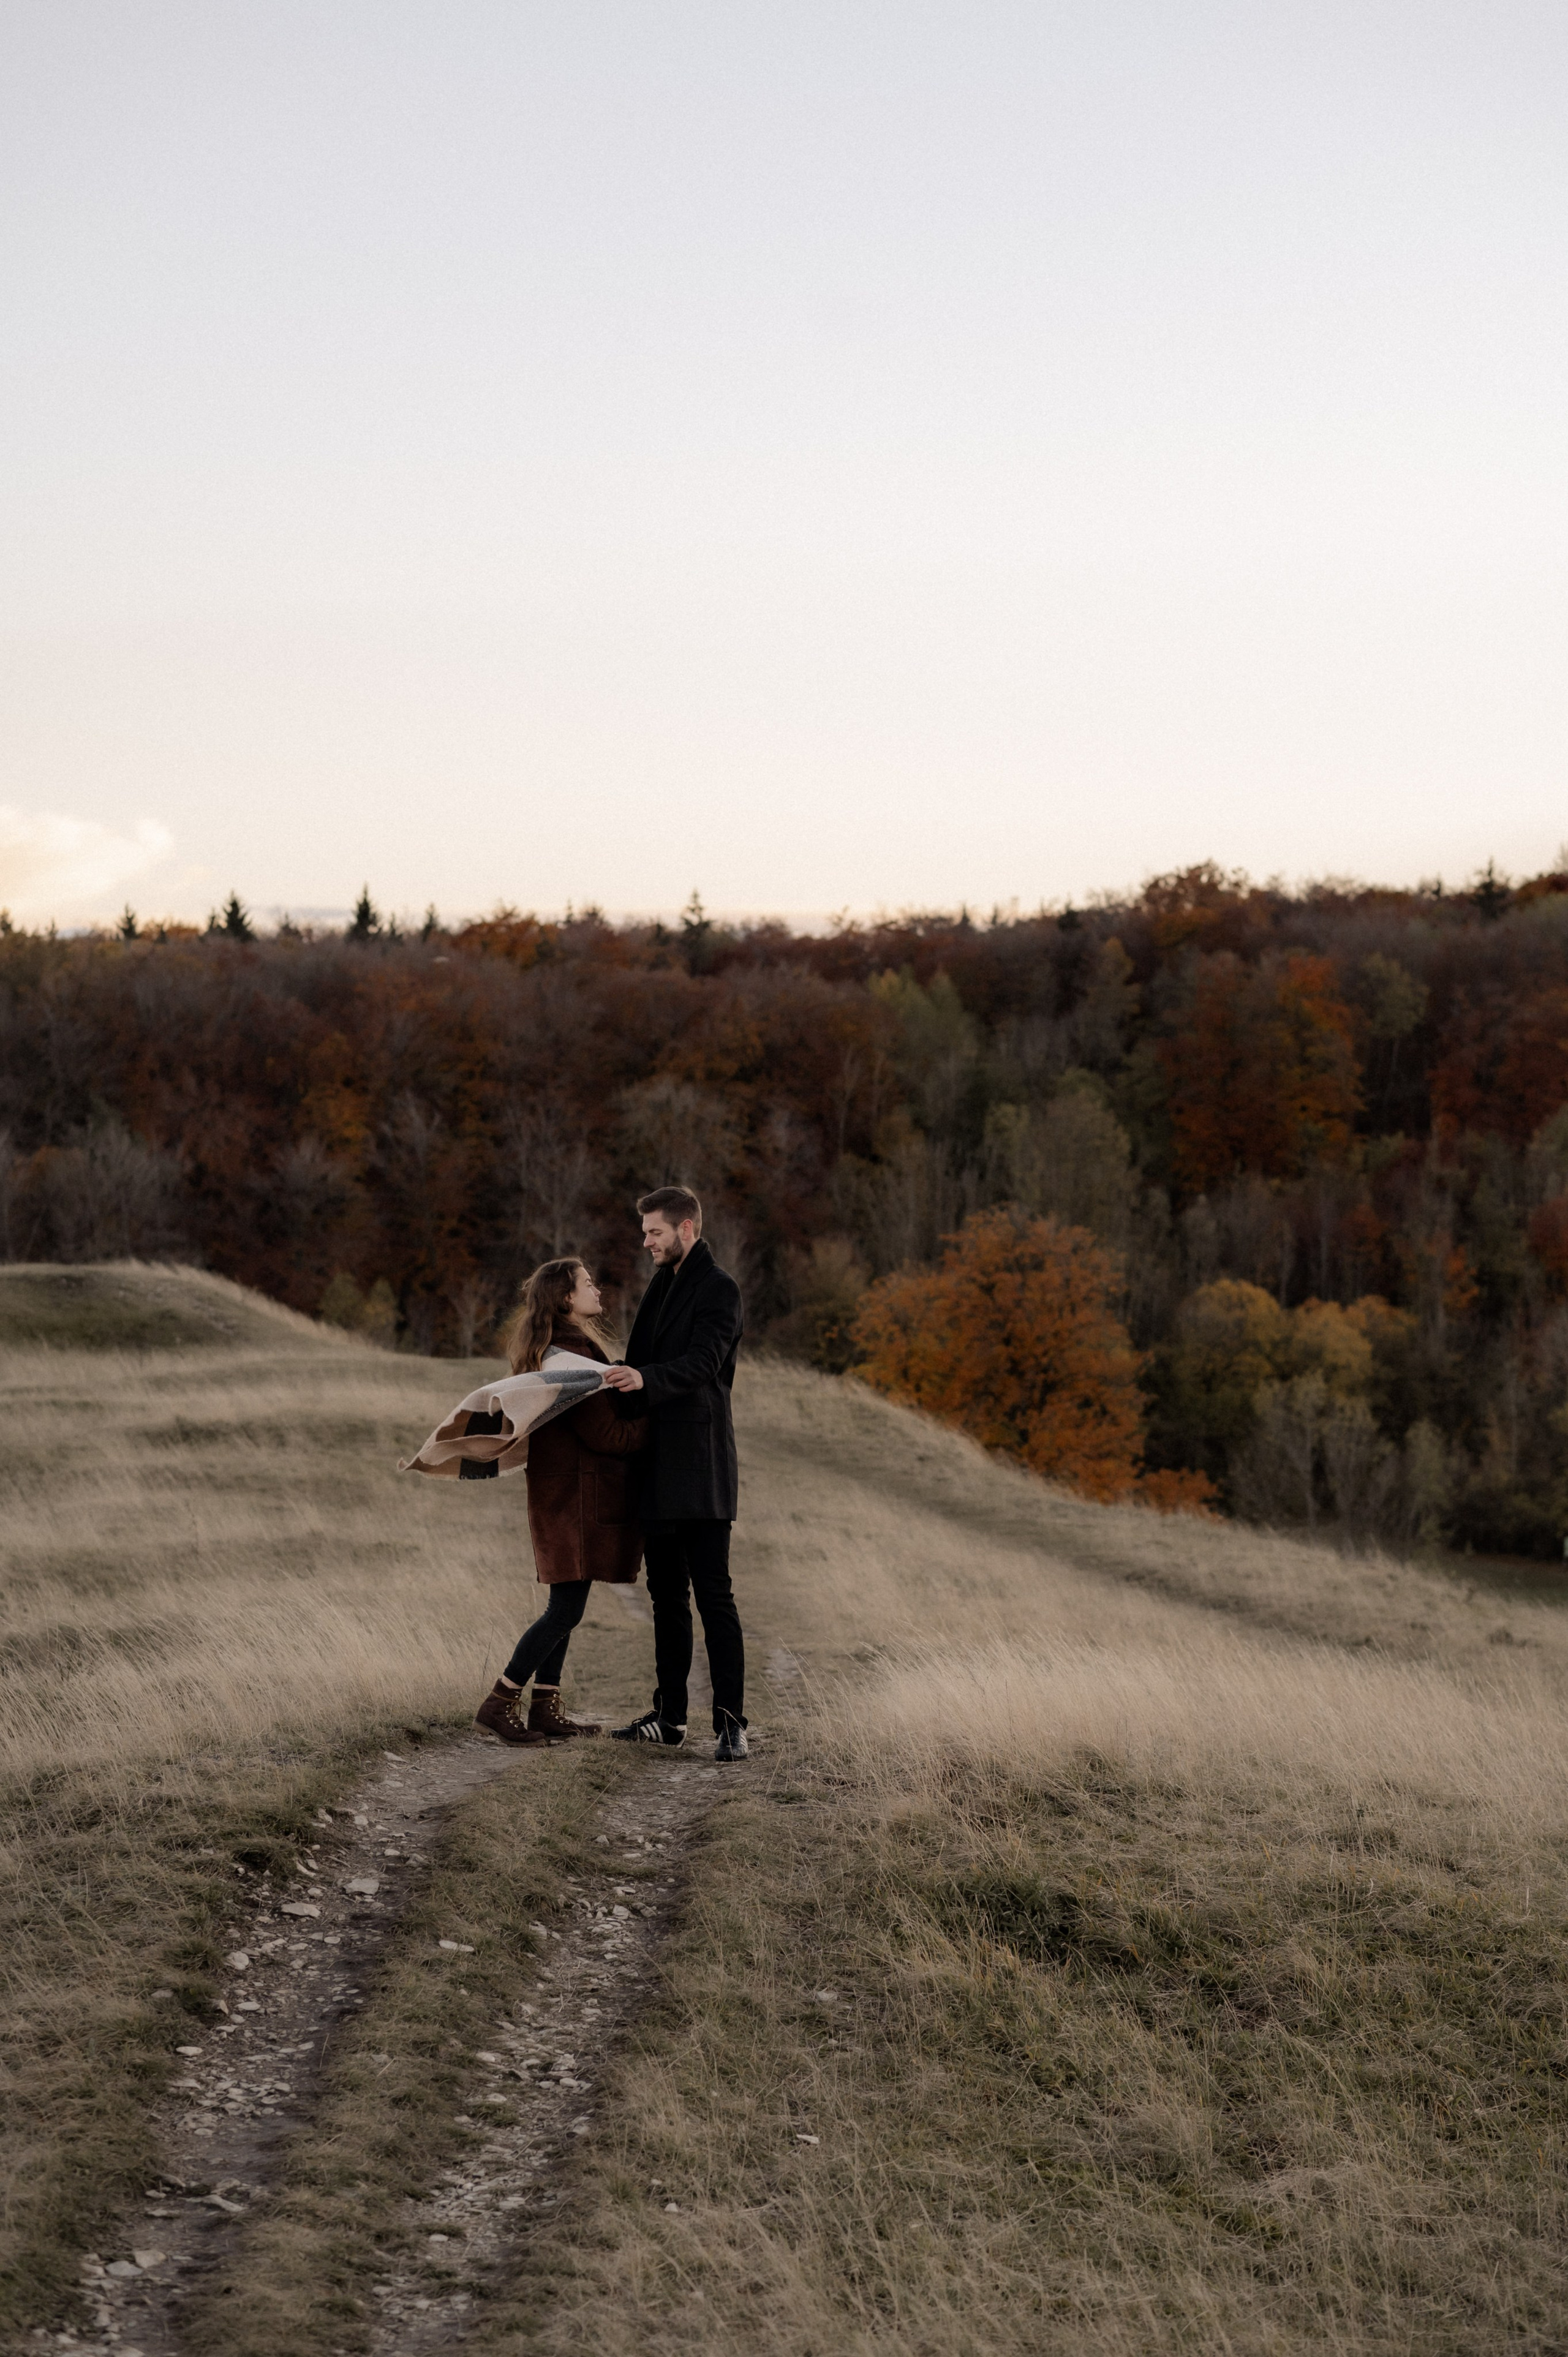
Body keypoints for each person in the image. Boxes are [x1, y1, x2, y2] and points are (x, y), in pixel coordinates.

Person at [600, 1185, 748, 1762]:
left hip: (703, 1466)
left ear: (687, 1228)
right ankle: (670, 1718)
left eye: (654, 1232)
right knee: (666, 1597)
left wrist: (646, 1381)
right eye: (645, 1234)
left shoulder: (720, 1289)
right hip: (657, 1466)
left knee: (715, 1596)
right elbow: (642, 1360)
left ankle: (732, 1724)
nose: (647, 1243)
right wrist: (612, 1374)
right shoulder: (661, 1285)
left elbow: (704, 1364)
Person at [473, 1258, 649, 1746]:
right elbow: (609, 1435)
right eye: (588, 1283)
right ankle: (499, 1703)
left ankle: (545, 1707)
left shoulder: (564, 1349)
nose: (598, 1290)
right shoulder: (571, 1361)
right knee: (564, 1611)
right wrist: (659, 1418)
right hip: (573, 1497)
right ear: (567, 1298)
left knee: (567, 1603)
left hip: (566, 1495)